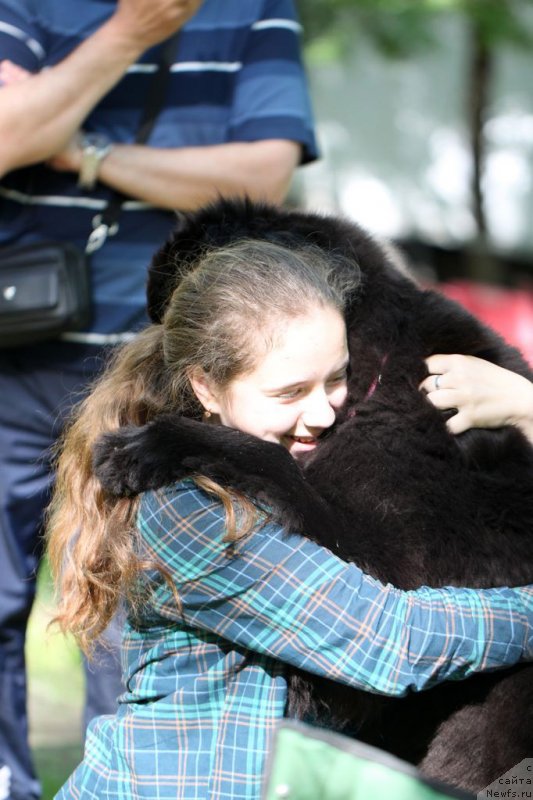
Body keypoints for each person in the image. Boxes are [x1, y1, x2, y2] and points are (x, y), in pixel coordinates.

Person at [45, 238, 533, 800]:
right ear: (205, 386)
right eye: (290, 392)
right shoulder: (185, 507)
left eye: (336, 378)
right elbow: (388, 640)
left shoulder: (300, 452)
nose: (324, 411)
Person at [0, 1, 318, 797]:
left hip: (164, 368)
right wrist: (129, 33)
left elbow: (260, 178)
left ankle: (133, 785)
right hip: (13, 354)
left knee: (141, 605)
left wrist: (79, 147)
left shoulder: (255, 7)